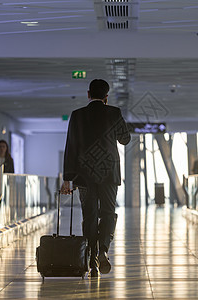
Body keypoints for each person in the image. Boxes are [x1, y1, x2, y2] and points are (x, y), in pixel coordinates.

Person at [61, 79, 131, 277]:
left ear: (88, 94)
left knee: (89, 216)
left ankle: (92, 259)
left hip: (84, 177)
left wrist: (67, 178)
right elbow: (125, 140)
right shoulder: (114, 113)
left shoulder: (77, 115)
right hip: (109, 174)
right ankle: (103, 249)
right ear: (106, 97)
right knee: (108, 212)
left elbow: (71, 147)